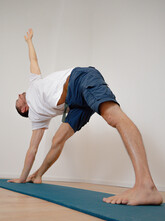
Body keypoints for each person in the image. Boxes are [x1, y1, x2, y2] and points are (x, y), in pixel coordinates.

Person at [8, 29, 163, 206]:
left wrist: (29, 41)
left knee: (113, 117)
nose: (19, 95)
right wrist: (22, 179)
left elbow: (33, 60)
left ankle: (146, 185)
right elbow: (32, 150)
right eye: (18, 100)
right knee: (57, 140)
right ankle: (38, 174)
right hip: (75, 102)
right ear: (24, 108)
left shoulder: (34, 83)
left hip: (79, 78)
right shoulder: (37, 116)